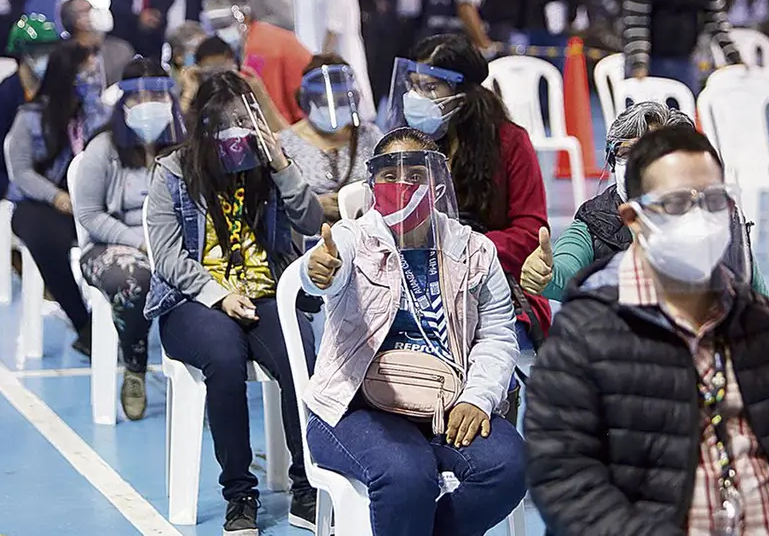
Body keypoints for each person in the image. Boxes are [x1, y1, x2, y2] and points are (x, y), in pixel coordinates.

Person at [525, 125, 769, 536]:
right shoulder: (584, 339)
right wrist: (546, 274)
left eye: (711, 201)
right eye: (675, 204)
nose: (699, 219)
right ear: (633, 219)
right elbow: (565, 479)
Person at [302, 127, 526, 536]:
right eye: (389, 176)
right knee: (408, 476)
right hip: (354, 408)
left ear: (438, 184)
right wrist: (317, 271)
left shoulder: (474, 249)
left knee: (509, 466)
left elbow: (497, 334)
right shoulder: (355, 238)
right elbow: (323, 270)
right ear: (373, 184)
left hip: (444, 400)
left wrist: (477, 399)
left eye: (415, 176)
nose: (402, 186)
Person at [143, 70, 322, 534]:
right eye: (223, 131)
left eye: (243, 128)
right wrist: (219, 295)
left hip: (266, 289)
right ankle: (239, 493)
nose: (234, 144)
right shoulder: (173, 172)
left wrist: (281, 165)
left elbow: (311, 220)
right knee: (224, 359)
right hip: (194, 298)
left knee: (299, 355)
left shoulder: (268, 161)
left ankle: (306, 488)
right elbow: (166, 256)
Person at [385, 32, 551, 356]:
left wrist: (466, 252)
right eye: (414, 85)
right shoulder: (405, 146)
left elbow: (530, 230)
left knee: (479, 351)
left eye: (430, 87)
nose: (417, 97)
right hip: (415, 284)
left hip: (494, 283)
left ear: (461, 95)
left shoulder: (510, 142)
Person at [520, 101, 768, 300]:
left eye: (655, 154)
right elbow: (565, 272)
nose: (640, 165)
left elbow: (760, 303)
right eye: (628, 153)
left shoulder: (721, 221)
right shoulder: (595, 222)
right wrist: (546, 274)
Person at [74, 58, 184, 421]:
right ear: (123, 102)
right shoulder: (103, 148)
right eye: (139, 97)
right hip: (112, 247)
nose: (149, 104)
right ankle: (135, 367)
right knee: (135, 279)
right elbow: (89, 215)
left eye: (157, 94)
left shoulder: (185, 149)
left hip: (173, 243)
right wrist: (138, 243)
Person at [6, 41, 109, 355]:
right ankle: (84, 324)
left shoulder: (98, 114)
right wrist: (57, 197)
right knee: (45, 238)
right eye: (85, 70)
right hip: (41, 203)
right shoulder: (30, 117)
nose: (92, 75)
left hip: (90, 203)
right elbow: (21, 173)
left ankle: (120, 322)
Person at [0, 13, 61, 222]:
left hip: (51, 175)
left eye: (51, 50)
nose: (47, 57)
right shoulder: (2, 97)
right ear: (24, 54)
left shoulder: (57, 91)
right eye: (41, 51)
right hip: (6, 175)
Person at [278, 54, 382, 222]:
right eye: (325, 101)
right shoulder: (285, 144)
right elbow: (276, 205)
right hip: (309, 239)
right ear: (305, 100)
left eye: (341, 101)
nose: (334, 108)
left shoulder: (370, 135)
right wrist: (313, 206)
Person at [622, 0, 741, 91]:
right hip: (651, 60)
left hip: (686, 60)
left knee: (686, 109)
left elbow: (716, 19)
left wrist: (735, 57)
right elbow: (636, 21)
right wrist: (638, 64)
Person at [200, 0, 312, 124]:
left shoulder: (260, 49)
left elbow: (270, 106)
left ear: (245, 18)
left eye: (225, 25)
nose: (220, 32)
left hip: (301, 121)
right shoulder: (258, 37)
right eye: (216, 27)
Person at [311, 0, 376, 121]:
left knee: (352, 115)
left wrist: (320, 64)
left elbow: (334, 27)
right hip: (337, 55)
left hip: (341, 55)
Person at [359, 0, 423, 107]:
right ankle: (375, 114)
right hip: (389, 25)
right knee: (382, 74)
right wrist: (378, 1)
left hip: (414, 25)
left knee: (409, 76)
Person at [59, 0, 134, 87]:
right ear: (77, 21)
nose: (95, 13)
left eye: (93, 8)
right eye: (87, 10)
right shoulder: (63, 56)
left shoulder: (121, 51)